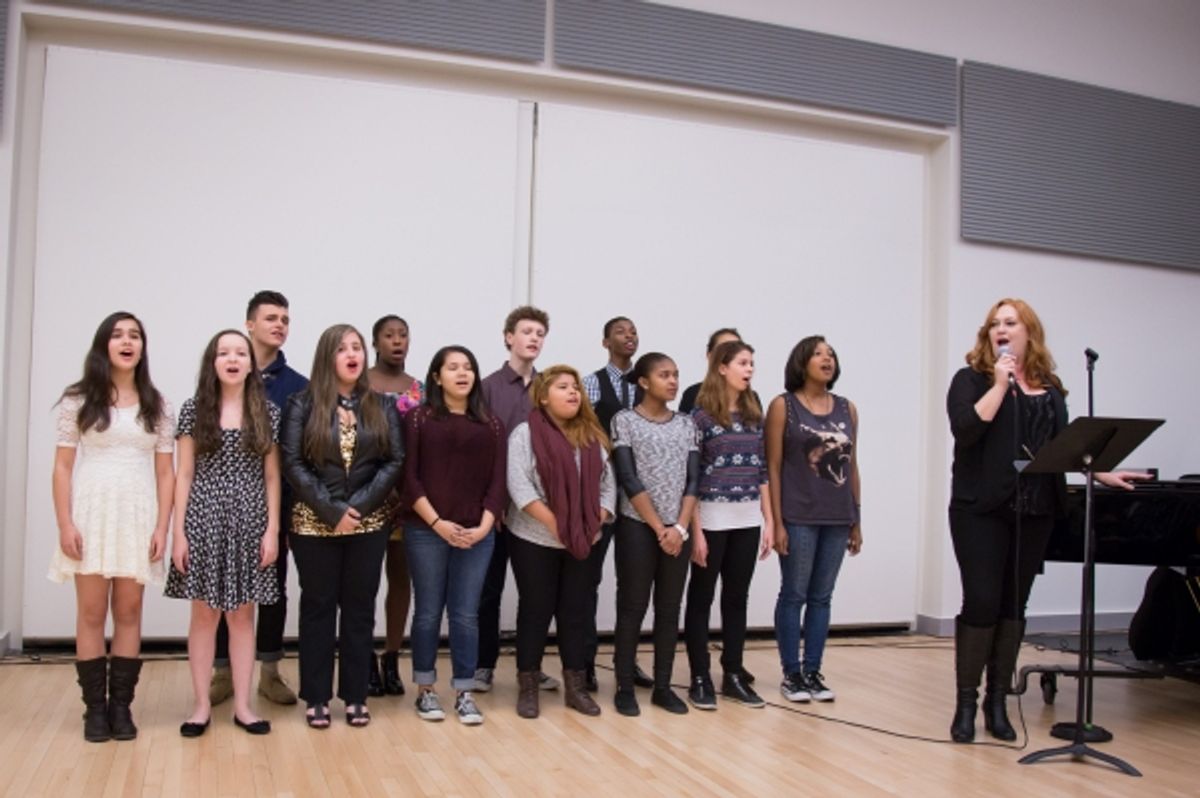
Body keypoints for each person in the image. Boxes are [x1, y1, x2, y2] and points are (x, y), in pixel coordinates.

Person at [946, 298, 1145, 743]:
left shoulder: (1050, 388)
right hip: (980, 510)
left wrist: (1102, 470)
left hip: (1035, 511)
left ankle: (997, 704)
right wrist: (999, 384)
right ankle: (965, 705)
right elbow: (966, 430)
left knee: (1013, 605)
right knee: (981, 602)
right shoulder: (971, 380)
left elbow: (1061, 446)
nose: (1001, 329)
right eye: (994, 324)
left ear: (1028, 332)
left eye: (1010, 322)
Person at [50, 311, 175, 742]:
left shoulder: (157, 404)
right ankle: (94, 711)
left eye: (135, 335)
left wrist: (163, 526)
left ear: (143, 347)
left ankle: (121, 708)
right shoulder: (78, 399)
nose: (127, 341)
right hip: (91, 513)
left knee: (129, 611)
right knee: (90, 613)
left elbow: (166, 473)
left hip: (137, 516)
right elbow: (63, 467)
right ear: (104, 344)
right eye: (118, 335)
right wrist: (65, 522)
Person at [282, 324, 404, 730]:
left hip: (369, 524)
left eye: (356, 347)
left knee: (359, 609)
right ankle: (316, 696)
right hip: (314, 524)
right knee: (317, 608)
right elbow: (293, 464)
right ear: (326, 357)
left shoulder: (383, 406)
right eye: (342, 348)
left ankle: (355, 696)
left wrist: (360, 506)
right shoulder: (301, 404)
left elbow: (394, 461)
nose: (352, 354)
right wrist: (332, 510)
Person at [166, 330, 281, 737]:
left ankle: (245, 707)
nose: (232, 359)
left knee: (242, 616)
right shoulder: (193, 410)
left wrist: (272, 529)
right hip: (203, 519)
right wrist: (179, 534)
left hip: (251, 521)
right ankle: (200, 706)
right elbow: (183, 474)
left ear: (251, 363)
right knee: (203, 615)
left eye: (240, 353)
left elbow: (271, 477)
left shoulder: (267, 411)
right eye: (223, 353)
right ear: (212, 362)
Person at [210, 290, 308, 707]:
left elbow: (297, 455)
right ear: (249, 324)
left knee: (272, 591)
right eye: (271, 318)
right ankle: (222, 672)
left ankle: (269, 672)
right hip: (224, 505)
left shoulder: (299, 387)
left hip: (277, 506)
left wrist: (282, 518)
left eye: (285, 319)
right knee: (219, 589)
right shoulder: (222, 377)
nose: (279, 325)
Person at [403, 346, 507, 725]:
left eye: (468, 367)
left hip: (476, 534)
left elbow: (498, 482)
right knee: (428, 612)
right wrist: (437, 524)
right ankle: (426, 690)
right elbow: (409, 479)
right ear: (436, 377)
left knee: (465, 615)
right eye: (453, 367)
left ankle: (464, 691)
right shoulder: (418, 419)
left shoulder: (492, 424)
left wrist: (483, 526)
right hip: (426, 531)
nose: (462, 373)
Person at [507, 366, 616, 718]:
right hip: (535, 537)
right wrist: (559, 523)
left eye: (577, 388)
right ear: (543, 396)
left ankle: (576, 688)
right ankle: (528, 687)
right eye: (563, 387)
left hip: (584, 538)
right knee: (535, 610)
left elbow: (608, 486)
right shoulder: (525, 434)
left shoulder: (591, 435)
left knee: (575, 612)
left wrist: (591, 520)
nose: (573, 393)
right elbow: (519, 485)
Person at [766, 335, 861, 706]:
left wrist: (857, 517)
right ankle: (791, 673)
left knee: (822, 598)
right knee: (794, 595)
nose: (827, 359)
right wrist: (777, 522)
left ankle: (813, 670)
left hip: (838, 517)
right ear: (801, 361)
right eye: (819, 353)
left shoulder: (847, 408)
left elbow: (853, 465)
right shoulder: (782, 406)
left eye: (831, 354)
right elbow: (772, 467)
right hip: (798, 515)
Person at [684, 341, 773, 710]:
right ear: (722, 367)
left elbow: (763, 470)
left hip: (747, 519)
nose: (749, 369)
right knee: (702, 599)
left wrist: (768, 521)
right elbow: (690, 476)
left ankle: (733, 673)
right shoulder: (701, 416)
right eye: (742, 362)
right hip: (712, 519)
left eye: (752, 362)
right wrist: (697, 532)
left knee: (737, 599)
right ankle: (699, 676)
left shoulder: (755, 414)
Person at [610, 353, 700, 716]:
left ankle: (663, 686)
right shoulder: (625, 421)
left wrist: (679, 526)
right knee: (632, 606)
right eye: (664, 375)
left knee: (668, 609)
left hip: (677, 530)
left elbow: (694, 478)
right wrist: (659, 527)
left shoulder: (687, 425)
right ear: (644, 382)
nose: (673, 381)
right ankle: (625, 687)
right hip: (637, 526)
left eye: (676, 374)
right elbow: (628, 478)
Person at [476, 306, 560, 692]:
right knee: (488, 590)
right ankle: (483, 665)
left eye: (540, 333)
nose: (534, 338)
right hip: (495, 509)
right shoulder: (488, 386)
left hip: (536, 512)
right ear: (508, 337)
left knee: (536, 594)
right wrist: (494, 505)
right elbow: (482, 448)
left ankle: (531, 665)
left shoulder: (551, 388)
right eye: (526, 331)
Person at [579, 316, 652, 690]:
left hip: (639, 499)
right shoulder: (591, 383)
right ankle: (585, 663)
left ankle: (628, 661)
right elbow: (583, 433)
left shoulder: (648, 386)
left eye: (634, 331)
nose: (630, 336)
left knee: (634, 584)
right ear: (605, 340)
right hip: (603, 496)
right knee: (589, 580)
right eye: (622, 331)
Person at [366, 314, 424, 697]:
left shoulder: (417, 388)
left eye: (403, 335)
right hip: (366, 494)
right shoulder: (360, 383)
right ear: (375, 342)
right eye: (389, 335)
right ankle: (365, 656)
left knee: (401, 578)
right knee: (365, 581)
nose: (397, 341)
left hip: (403, 497)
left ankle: (391, 656)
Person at [678, 327, 743, 414]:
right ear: (710, 355)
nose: (729, 355)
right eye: (723, 349)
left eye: (736, 350)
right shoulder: (693, 394)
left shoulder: (751, 398)